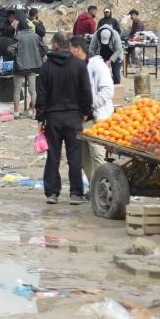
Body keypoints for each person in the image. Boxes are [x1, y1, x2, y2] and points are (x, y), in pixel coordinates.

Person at [36, 32, 93, 205]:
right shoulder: (79, 65)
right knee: (74, 156)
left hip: (53, 118)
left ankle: (52, 193)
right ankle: (76, 194)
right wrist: (86, 112)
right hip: (74, 117)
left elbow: (41, 95)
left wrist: (40, 118)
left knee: (53, 156)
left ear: (55, 45)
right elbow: (86, 91)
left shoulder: (46, 67)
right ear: (68, 46)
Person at [71, 37, 113, 183]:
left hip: (96, 118)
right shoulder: (75, 66)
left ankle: (102, 187)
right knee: (84, 157)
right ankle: (93, 186)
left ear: (77, 49)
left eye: (70, 49)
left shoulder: (97, 65)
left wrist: (90, 105)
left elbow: (107, 91)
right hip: (81, 119)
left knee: (97, 154)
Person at [11, 24, 46, 117]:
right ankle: (34, 112)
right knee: (33, 90)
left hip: (20, 67)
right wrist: (38, 56)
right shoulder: (36, 36)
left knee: (17, 89)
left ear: (19, 28)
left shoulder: (17, 37)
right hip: (33, 66)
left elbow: (10, 49)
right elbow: (45, 48)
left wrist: (17, 56)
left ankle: (16, 112)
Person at [90, 20, 124, 85]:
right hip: (102, 53)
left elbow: (118, 49)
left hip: (115, 54)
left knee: (116, 75)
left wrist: (110, 60)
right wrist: (95, 60)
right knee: (101, 74)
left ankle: (116, 87)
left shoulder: (115, 34)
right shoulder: (96, 35)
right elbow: (91, 50)